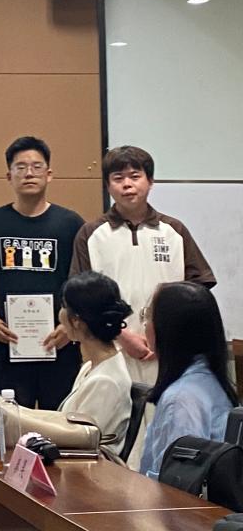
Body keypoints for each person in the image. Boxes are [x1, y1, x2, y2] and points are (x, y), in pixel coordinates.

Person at [71, 146, 215, 385]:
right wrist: (119, 333)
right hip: (111, 349)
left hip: (168, 349)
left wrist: (163, 329)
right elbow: (80, 295)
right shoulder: (91, 234)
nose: (127, 185)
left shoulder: (174, 230)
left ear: (150, 181)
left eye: (135, 176)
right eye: (118, 178)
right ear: (108, 185)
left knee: (165, 406)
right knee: (115, 408)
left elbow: (199, 288)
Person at [0, 136, 85, 409]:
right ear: (9, 176)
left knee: (61, 425)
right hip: (7, 346)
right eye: (20, 167)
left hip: (60, 346)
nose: (29, 173)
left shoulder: (70, 223)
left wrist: (70, 326)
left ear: (49, 174)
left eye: (36, 166)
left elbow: (84, 284)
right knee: (10, 425)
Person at [139, 281, 237, 479]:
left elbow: (175, 483)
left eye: (148, 316)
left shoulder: (181, 400)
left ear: (168, 328)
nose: (145, 325)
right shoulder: (207, 380)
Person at [55, 271, 134, 453]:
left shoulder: (105, 381)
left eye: (64, 306)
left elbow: (79, 440)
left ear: (76, 320)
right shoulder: (92, 366)